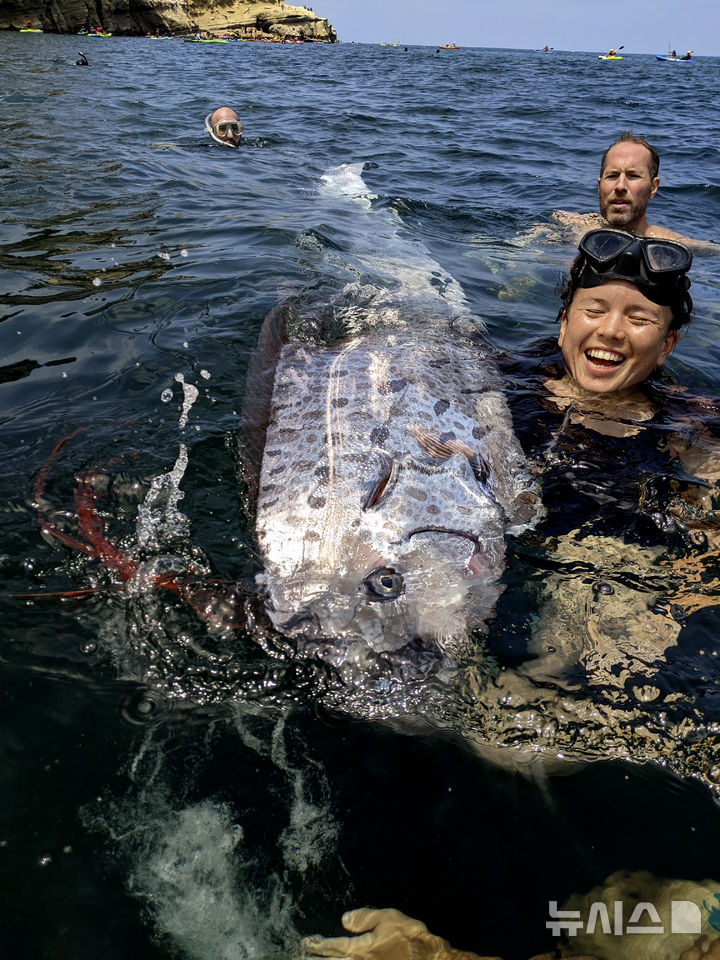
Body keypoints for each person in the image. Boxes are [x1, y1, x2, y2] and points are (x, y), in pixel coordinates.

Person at [302, 231, 720, 960]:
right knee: (383, 668)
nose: (612, 331)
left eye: (639, 318)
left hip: (603, 565)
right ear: (564, 321)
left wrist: (676, 593)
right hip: (484, 552)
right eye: (595, 309)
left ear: (670, 339)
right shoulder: (498, 383)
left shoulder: (693, 429)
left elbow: (709, 551)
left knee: (533, 737)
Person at [549, 131, 702, 246]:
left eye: (633, 176)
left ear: (653, 187)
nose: (620, 186)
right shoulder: (568, 223)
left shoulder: (672, 245)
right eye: (612, 176)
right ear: (599, 186)